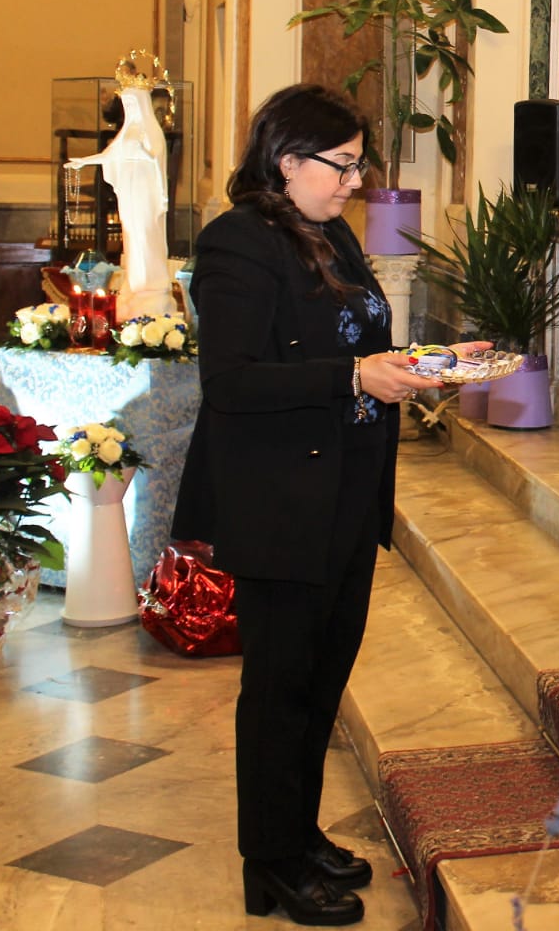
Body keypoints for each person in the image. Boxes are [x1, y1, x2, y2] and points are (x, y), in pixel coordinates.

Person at [173, 84, 492, 926]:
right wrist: (355, 378)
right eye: (342, 164)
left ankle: (298, 832)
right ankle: (269, 860)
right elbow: (232, 383)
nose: (355, 180)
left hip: (348, 491)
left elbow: (366, 346)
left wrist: (434, 359)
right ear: (288, 162)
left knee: (322, 681)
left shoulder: (332, 236)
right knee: (280, 689)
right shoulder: (235, 243)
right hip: (280, 498)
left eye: (357, 164)